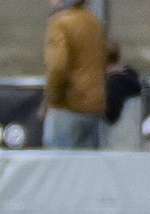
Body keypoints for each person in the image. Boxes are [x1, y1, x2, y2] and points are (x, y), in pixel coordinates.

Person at [43, 0, 106, 150]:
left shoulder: (60, 24)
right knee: (87, 167)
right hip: (94, 106)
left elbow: (58, 67)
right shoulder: (95, 23)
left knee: (58, 166)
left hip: (68, 105)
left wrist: (53, 98)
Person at [104, 42, 144, 148]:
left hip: (115, 141)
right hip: (133, 139)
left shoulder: (114, 82)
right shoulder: (131, 76)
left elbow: (111, 115)